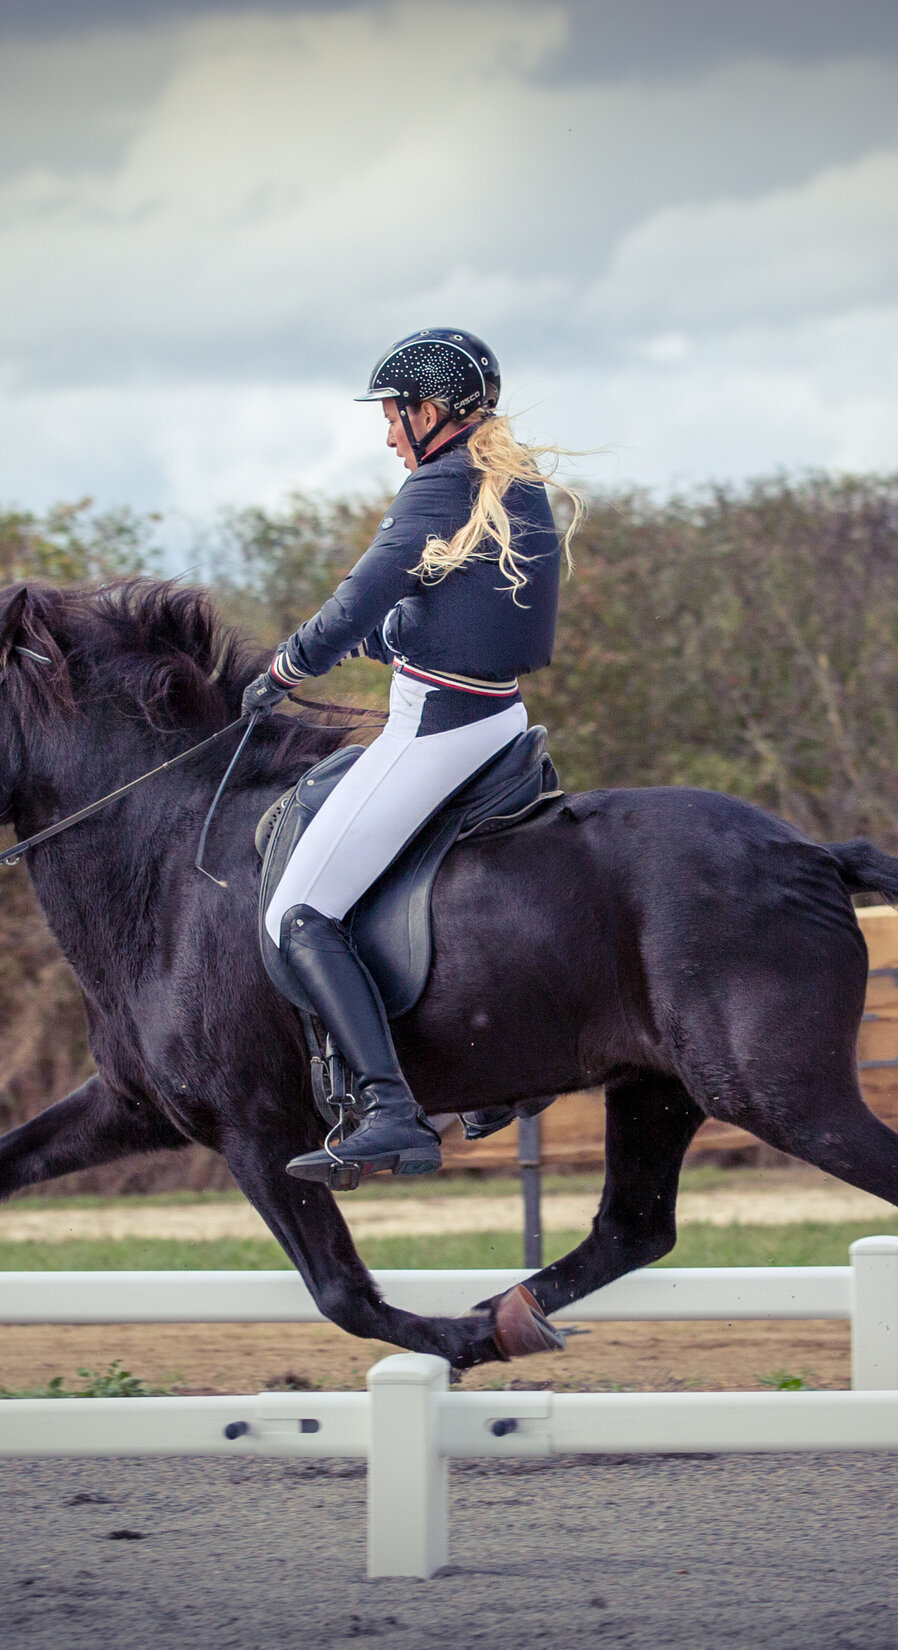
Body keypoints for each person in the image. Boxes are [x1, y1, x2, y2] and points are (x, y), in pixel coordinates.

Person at [243, 328, 577, 1185]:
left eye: (393, 415)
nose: (388, 433)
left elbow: (359, 597)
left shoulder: (439, 483)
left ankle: (389, 1110)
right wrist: (393, 636)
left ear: (429, 412)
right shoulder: (509, 482)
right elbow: (466, 613)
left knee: (299, 915)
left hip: (435, 733)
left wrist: (286, 669)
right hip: (497, 721)